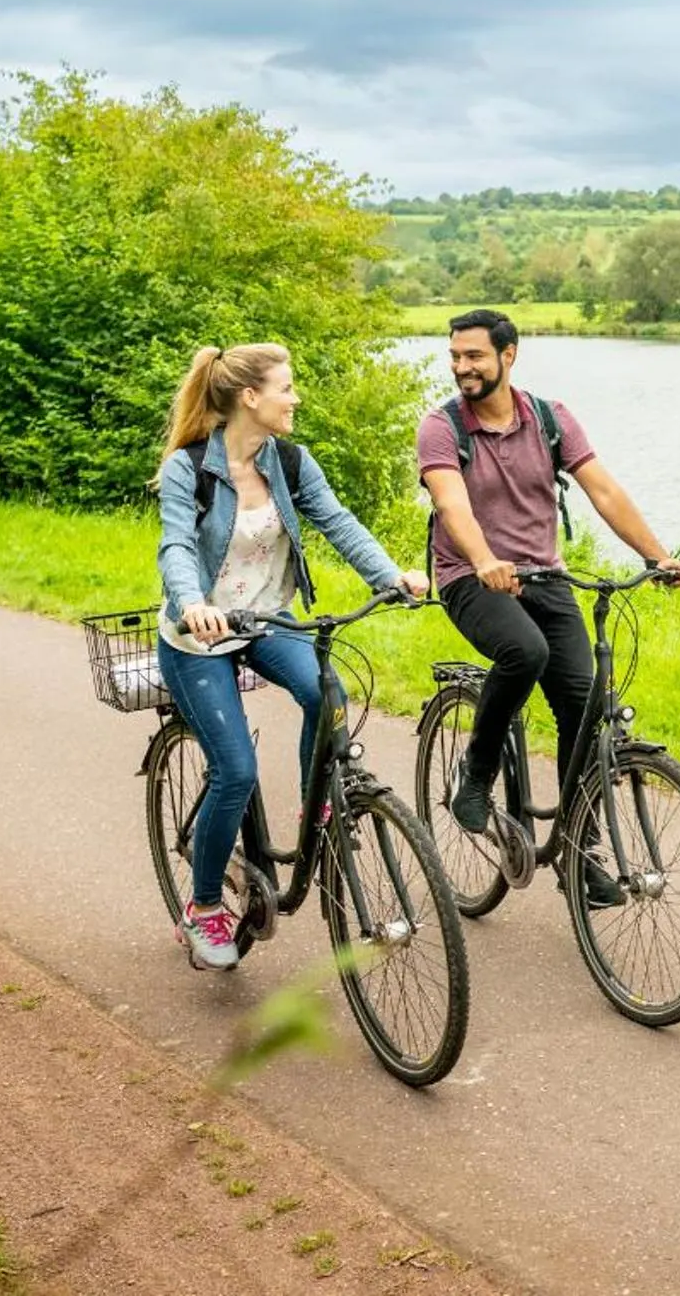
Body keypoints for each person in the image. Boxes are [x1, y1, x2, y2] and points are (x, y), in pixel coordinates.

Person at [155, 343, 428, 971]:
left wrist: (390, 576)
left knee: (328, 693)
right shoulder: (189, 468)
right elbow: (174, 545)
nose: (295, 397)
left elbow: (339, 523)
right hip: (198, 636)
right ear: (250, 397)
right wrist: (192, 601)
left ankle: (317, 802)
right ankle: (202, 909)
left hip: (266, 621)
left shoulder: (290, 462)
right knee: (236, 771)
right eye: (286, 387)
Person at [419, 309, 680, 901]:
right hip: (471, 577)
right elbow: (452, 505)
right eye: (455, 356)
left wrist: (657, 557)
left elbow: (602, 488)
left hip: (546, 578)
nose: (462, 367)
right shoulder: (443, 428)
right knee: (524, 651)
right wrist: (485, 559)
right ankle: (475, 776)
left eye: (474, 356)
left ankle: (577, 849)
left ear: (508, 355)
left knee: (584, 705)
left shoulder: (549, 418)